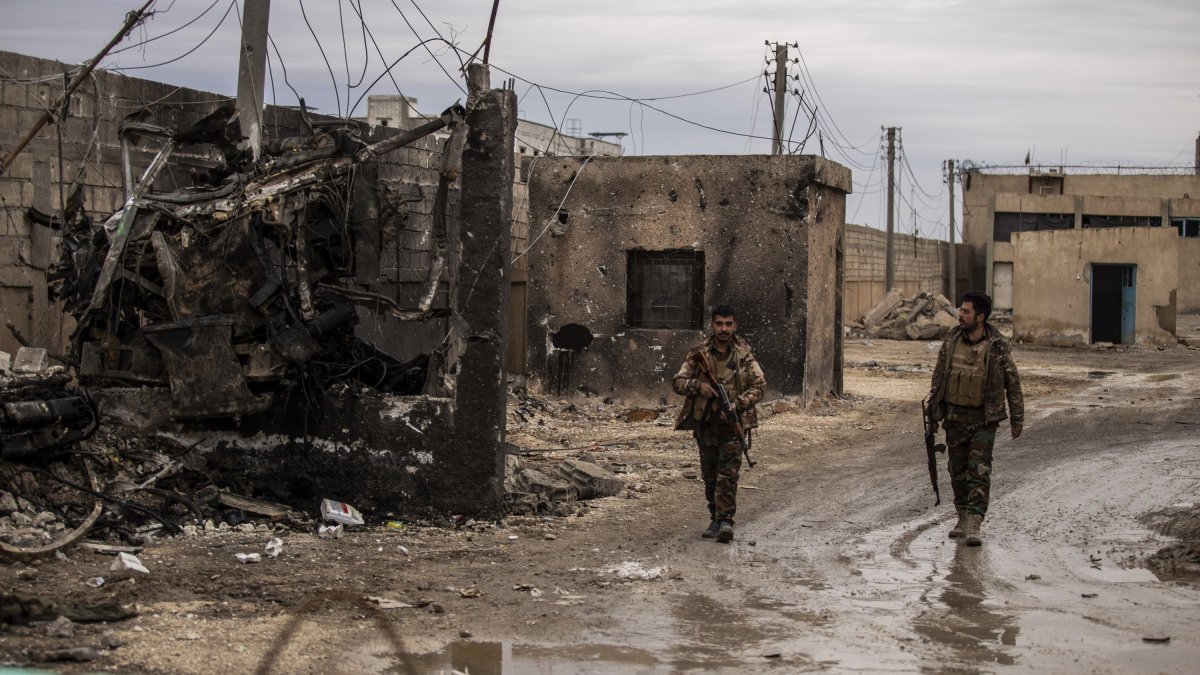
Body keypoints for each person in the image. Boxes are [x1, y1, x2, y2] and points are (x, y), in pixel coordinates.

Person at [927, 290, 1024, 546]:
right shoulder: (952, 340)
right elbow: (939, 377)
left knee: (978, 472)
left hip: (983, 419)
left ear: (980, 317)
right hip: (955, 418)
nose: (960, 314)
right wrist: (932, 414)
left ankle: (974, 523)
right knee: (957, 472)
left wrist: (1017, 419)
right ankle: (961, 515)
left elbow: (1012, 383)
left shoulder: (997, 345)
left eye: (966, 311)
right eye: (960, 310)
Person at [672, 305, 766, 543]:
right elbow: (678, 382)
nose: (724, 329)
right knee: (710, 475)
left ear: (735, 326)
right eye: (719, 324)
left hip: (732, 424)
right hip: (706, 424)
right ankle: (715, 518)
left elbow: (759, 385)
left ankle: (725, 521)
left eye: (728, 324)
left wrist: (739, 404)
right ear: (712, 325)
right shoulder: (699, 353)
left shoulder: (743, 354)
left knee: (728, 475)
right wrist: (698, 386)